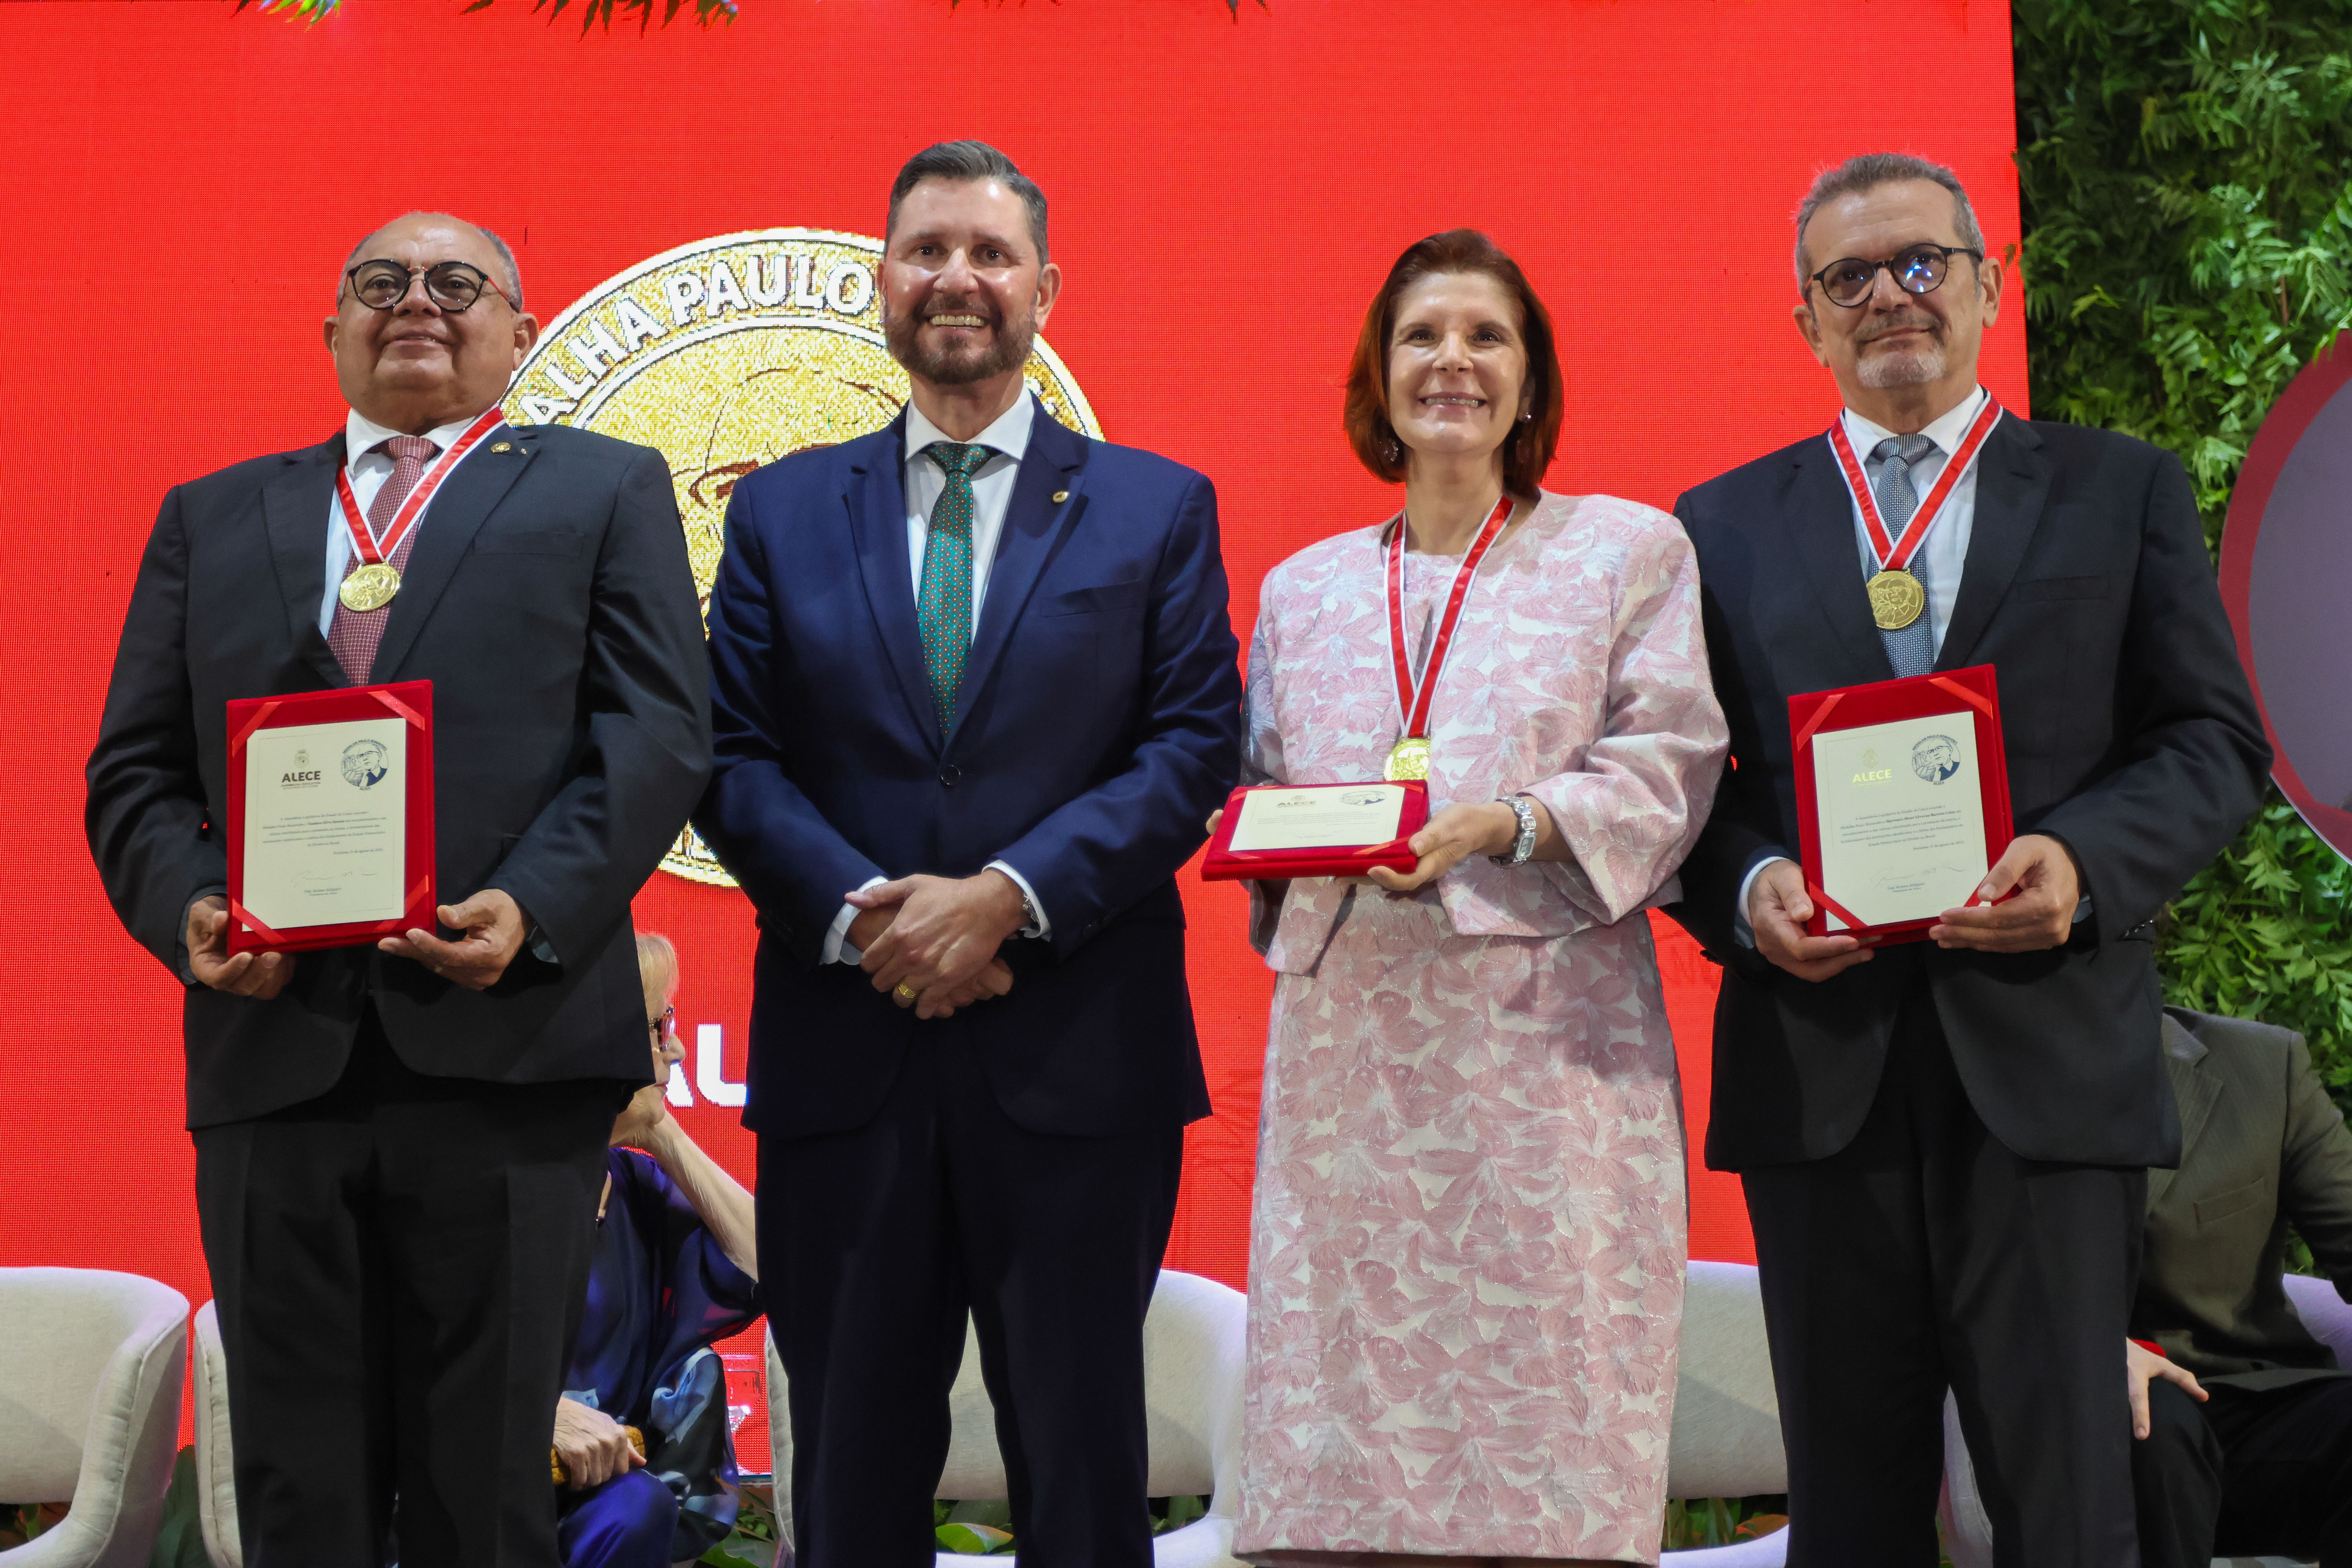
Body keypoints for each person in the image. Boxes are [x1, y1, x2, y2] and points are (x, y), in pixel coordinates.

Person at [1666, 152, 2273, 1566]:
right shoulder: (1714, 526)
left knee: (2066, 1502)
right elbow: (1683, 788)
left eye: (1919, 261)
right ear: (1803, 319)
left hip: (2046, 1069)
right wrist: (1750, 890)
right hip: (1820, 1069)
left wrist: (2072, 855)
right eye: (1847, 276)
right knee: (1848, 1507)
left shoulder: (2115, 488)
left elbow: (2208, 739)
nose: (1888, 293)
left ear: (1985, 286)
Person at [84, 211, 711, 1566]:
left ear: (520, 332)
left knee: (484, 1488)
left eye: (454, 281)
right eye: (380, 281)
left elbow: (656, 731)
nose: (414, 300)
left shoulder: (602, 488)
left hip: (510, 1051)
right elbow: (133, 769)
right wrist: (195, 909)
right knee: (297, 1486)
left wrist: (534, 908)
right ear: (331, 333)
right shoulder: (215, 511)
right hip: (275, 1057)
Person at [693, 140, 1243, 1568]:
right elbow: (729, 754)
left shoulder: (1153, 506)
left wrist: (1004, 898)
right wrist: (875, 918)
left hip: (1076, 1064)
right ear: (880, 279)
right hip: (845, 1050)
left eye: (989, 254)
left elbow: (1190, 747)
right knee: (853, 1469)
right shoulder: (775, 510)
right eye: (926, 249)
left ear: (1044, 289)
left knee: (1078, 1458)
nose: (956, 278)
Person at [1231, 229, 1728, 1566]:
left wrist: (1506, 821)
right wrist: (1272, 839)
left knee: (1547, 1435)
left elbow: (1670, 758)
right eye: (1420, 336)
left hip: (1546, 1059)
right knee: (1342, 1446)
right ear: (1376, 377)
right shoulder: (1301, 588)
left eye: (1484, 336)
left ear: (1529, 380)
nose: (1450, 359)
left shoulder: (1625, 550)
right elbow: (1260, 784)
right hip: (1351, 1060)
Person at [552, 933, 762, 1568]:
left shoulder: (635, 1186)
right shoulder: (480, 1179)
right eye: (657, 1025)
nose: (673, 1046)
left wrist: (660, 1127)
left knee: (639, 1506)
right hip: (479, 1469)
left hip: (603, 1488)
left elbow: (766, 1264)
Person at [2121, 1007, 2352, 1567]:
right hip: (2095, 1411)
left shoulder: (2264, 1064)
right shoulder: (1978, 1084)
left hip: (2252, 1400)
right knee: (2149, 1431)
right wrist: (2086, 1348)